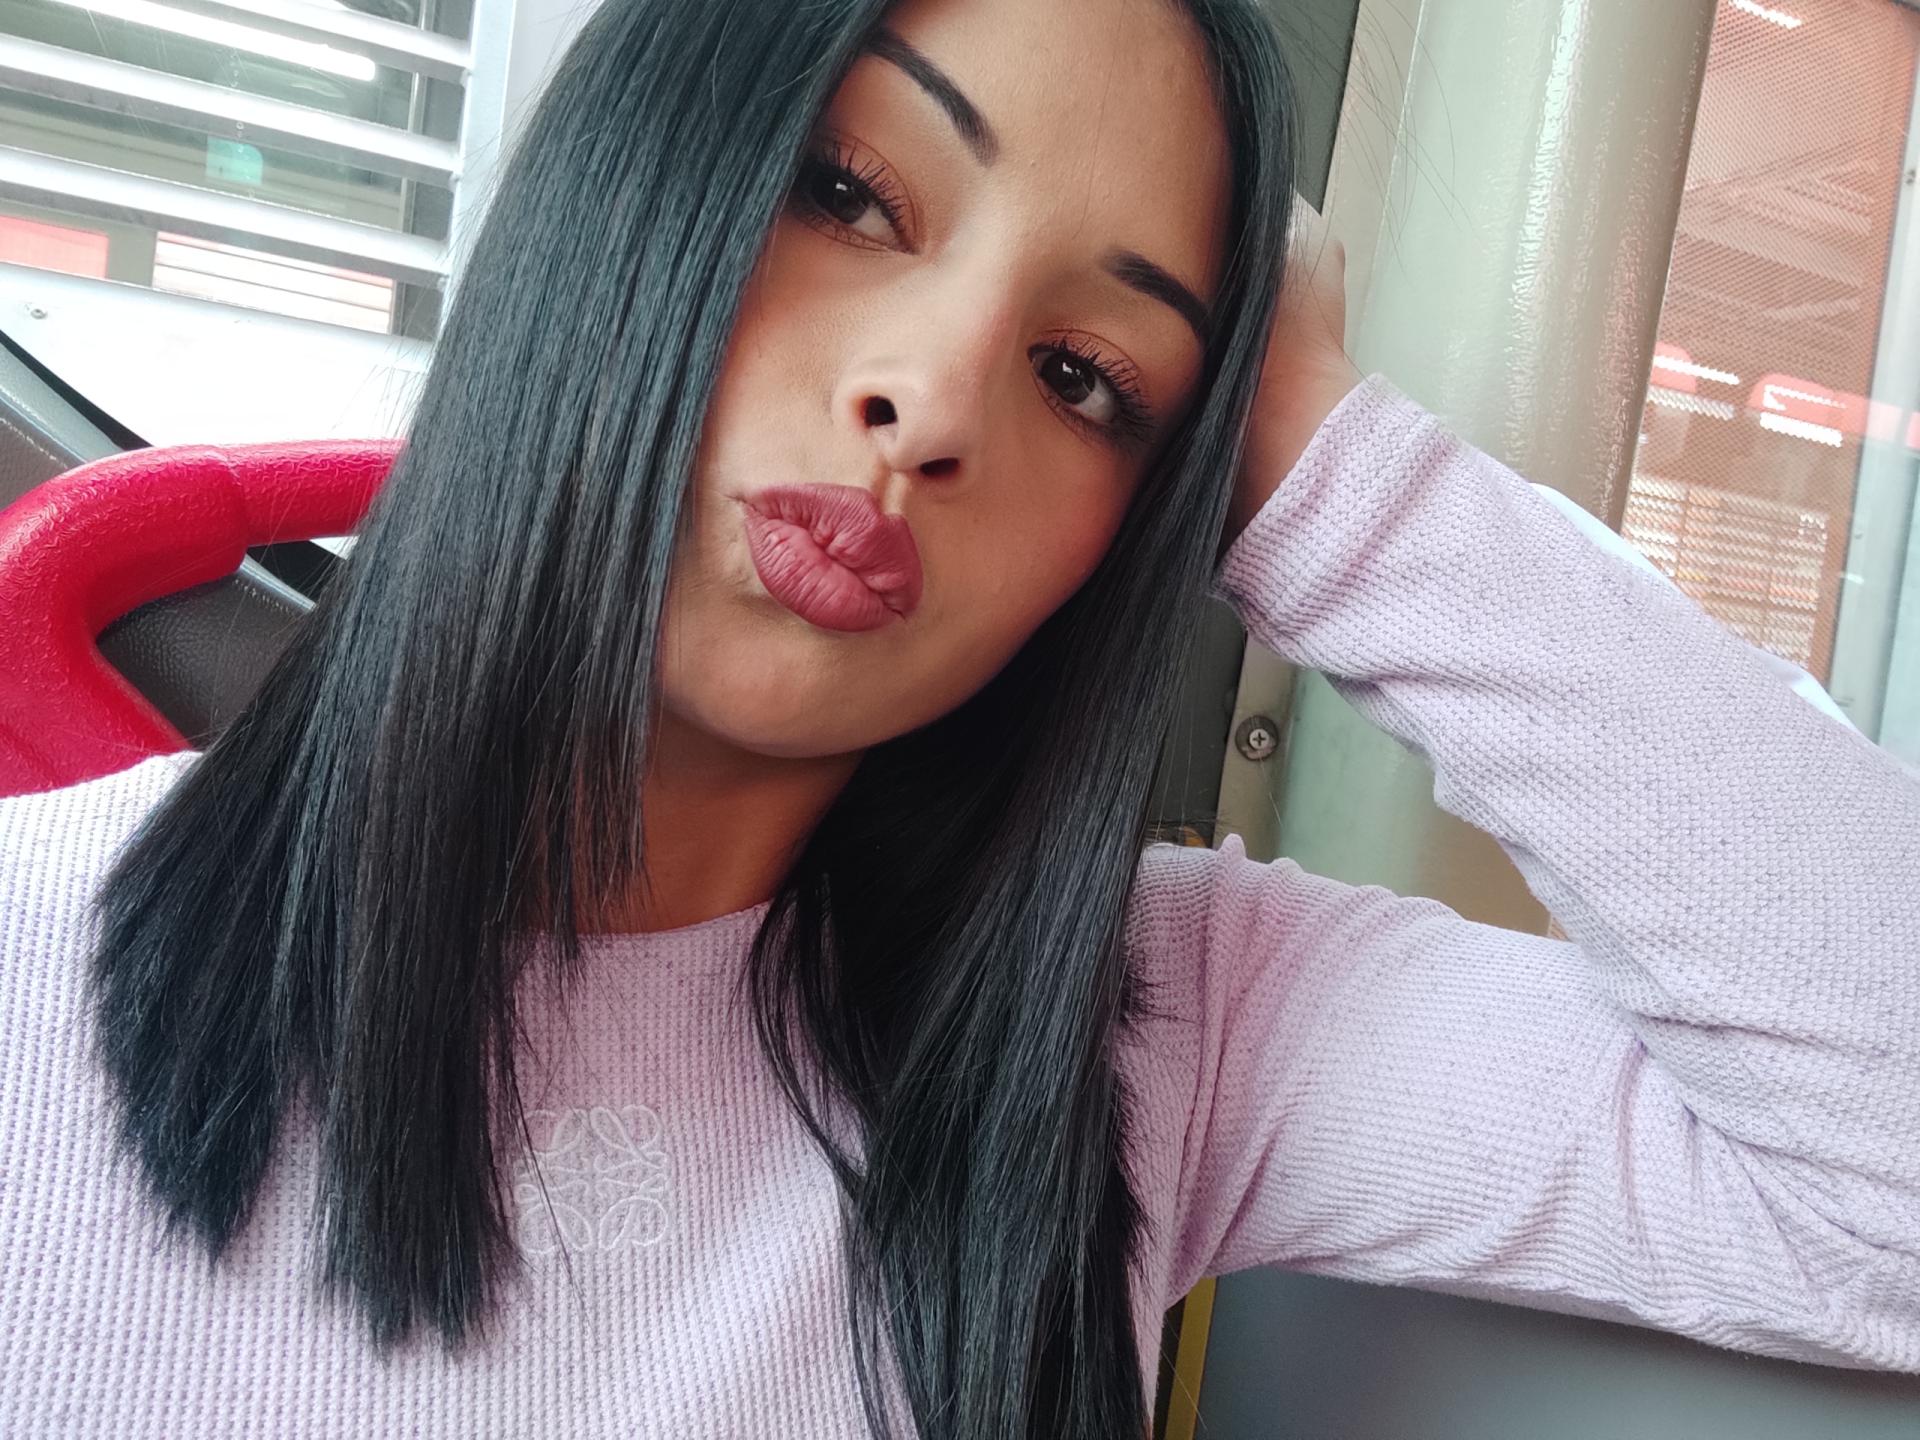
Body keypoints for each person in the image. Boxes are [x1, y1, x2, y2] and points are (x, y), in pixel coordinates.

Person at [1, 0, 1915, 1436]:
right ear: (626, 181)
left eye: (1089, 377)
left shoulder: (1154, 1029)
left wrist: (1324, 467)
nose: (931, 403)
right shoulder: (29, 961)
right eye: (850, 193)